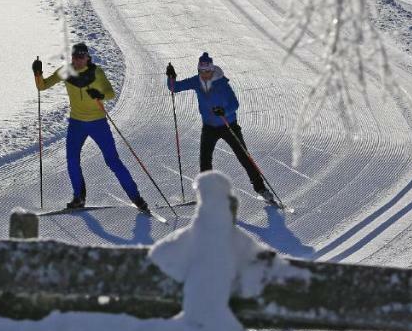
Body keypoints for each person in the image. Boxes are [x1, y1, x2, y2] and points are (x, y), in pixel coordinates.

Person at [33, 43, 150, 213]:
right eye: (75, 57)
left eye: (81, 57)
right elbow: (42, 86)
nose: (78, 61)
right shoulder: (65, 71)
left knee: (112, 161)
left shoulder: (96, 72)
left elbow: (111, 93)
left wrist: (100, 94)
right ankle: (79, 198)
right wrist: (37, 73)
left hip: (98, 123)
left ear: (87, 57)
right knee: (72, 160)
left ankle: (136, 198)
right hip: (77, 123)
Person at [167, 52, 274, 205]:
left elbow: (235, 103)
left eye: (207, 71)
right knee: (205, 160)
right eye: (201, 71)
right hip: (209, 127)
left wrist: (225, 111)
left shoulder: (221, 83)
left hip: (228, 125)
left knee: (244, 156)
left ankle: (261, 188)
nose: (204, 74)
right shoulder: (196, 81)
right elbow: (174, 88)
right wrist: (171, 77)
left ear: (212, 70)